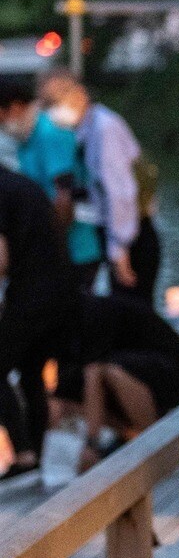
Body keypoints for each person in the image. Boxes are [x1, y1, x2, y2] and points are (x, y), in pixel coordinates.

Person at [38, 69, 157, 302]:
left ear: (77, 96)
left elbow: (120, 193)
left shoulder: (104, 129)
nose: (51, 112)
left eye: (53, 103)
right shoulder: (86, 130)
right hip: (123, 235)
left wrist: (119, 251)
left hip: (132, 238)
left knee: (133, 316)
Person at [52, 292, 179, 471]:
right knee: (72, 394)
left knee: (107, 372)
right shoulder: (65, 330)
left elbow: (94, 373)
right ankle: (129, 432)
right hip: (142, 373)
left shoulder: (93, 315)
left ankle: (153, 441)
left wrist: (91, 443)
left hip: (178, 372)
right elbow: (62, 394)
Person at [0, 164, 80, 478]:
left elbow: (1, 259)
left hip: (33, 293)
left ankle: (24, 453)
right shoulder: (20, 183)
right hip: (63, 290)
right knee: (31, 373)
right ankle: (38, 450)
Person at [0, 76, 104, 287]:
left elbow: (64, 198)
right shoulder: (27, 137)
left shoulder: (49, 134)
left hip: (73, 252)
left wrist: (41, 247)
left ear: (16, 107)